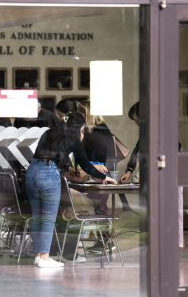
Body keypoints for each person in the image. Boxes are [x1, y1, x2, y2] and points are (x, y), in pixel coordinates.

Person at [26, 112, 117, 268]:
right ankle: (45, 258)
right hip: (48, 175)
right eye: (82, 130)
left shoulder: (49, 133)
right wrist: (103, 176)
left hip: (32, 172)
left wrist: (67, 166)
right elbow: (86, 166)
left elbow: (47, 155)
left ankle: (38, 256)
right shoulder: (72, 139)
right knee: (48, 218)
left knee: (37, 217)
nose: (82, 134)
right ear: (78, 129)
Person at [119, 101, 184, 248]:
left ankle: (170, 242)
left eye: (137, 119)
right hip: (156, 176)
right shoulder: (146, 132)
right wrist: (129, 171)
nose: (136, 123)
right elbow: (136, 151)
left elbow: (173, 149)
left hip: (168, 175)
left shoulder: (162, 128)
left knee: (170, 210)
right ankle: (158, 241)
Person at [77, 101, 116, 253]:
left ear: (87, 114)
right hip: (96, 173)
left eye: (81, 114)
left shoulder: (98, 131)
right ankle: (104, 242)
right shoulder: (96, 130)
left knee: (100, 208)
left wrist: (91, 165)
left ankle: (106, 242)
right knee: (99, 208)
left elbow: (102, 156)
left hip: (100, 175)